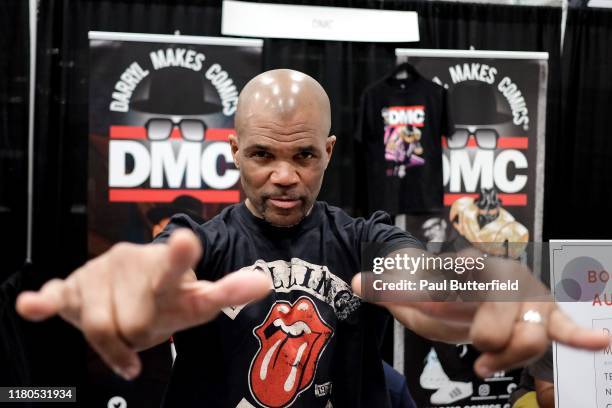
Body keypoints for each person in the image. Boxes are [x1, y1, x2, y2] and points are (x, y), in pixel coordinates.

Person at [15, 69, 608, 407]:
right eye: (262, 155)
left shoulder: (361, 237)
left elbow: (413, 277)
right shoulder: (199, 239)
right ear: (233, 154)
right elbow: (161, 271)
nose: (283, 176)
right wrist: (137, 291)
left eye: (303, 155)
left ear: (327, 152)